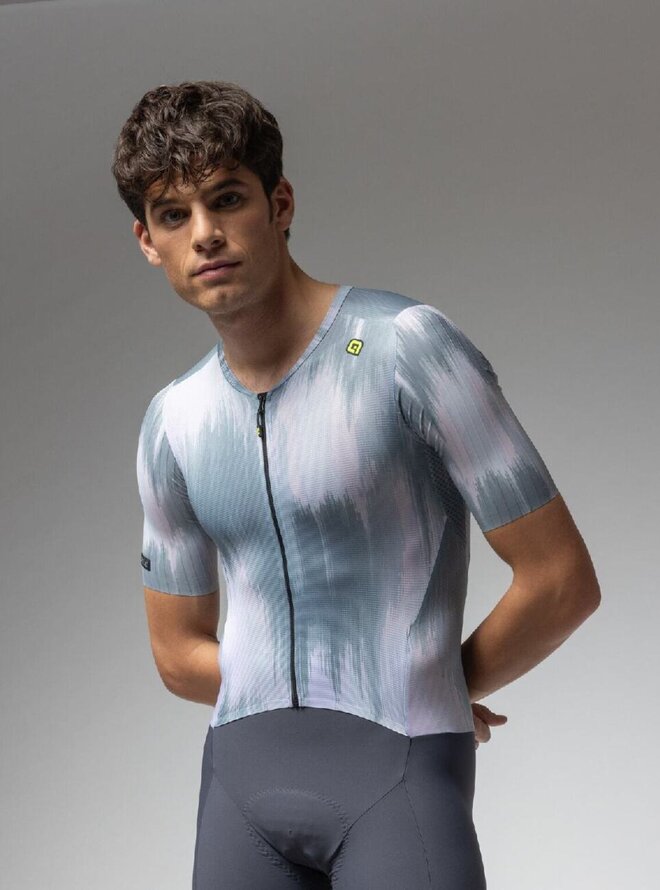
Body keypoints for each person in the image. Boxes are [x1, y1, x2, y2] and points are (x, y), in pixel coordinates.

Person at [112, 80, 601, 889]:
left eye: (227, 199)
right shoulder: (175, 419)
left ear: (279, 203)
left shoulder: (405, 349)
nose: (205, 234)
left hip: (398, 779)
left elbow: (560, 580)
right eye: (173, 214)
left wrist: (432, 684)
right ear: (148, 240)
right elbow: (175, 653)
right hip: (239, 791)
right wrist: (344, 682)